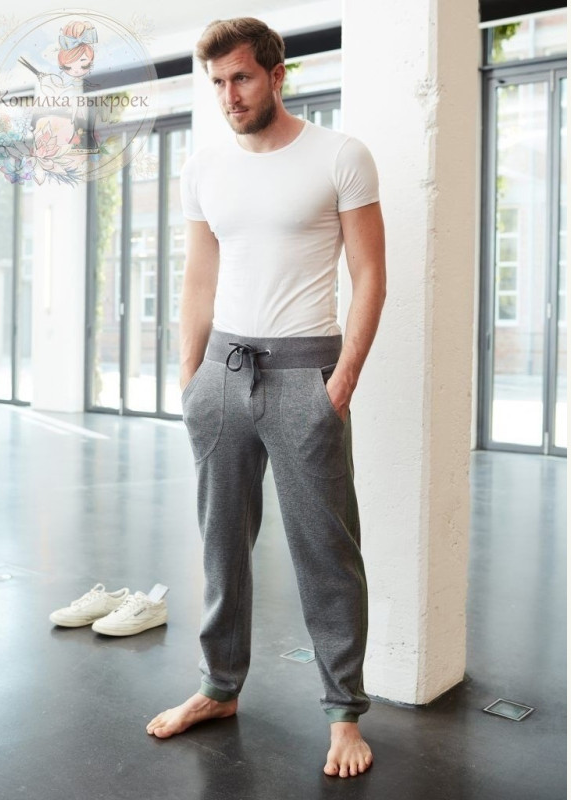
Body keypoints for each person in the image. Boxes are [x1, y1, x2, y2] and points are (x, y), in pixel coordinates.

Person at [146, 17, 386, 779]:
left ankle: (344, 713)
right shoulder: (204, 168)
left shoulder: (340, 155)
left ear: (278, 75)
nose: (229, 95)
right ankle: (219, 687)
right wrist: (190, 379)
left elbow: (370, 275)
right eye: (217, 82)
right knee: (220, 545)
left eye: (242, 77)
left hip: (305, 374)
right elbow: (199, 278)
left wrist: (341, 381)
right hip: (221, 373)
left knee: (327, 551)